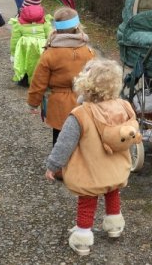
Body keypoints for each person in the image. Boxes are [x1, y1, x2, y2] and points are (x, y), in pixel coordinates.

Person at [44, 58, 139, 256]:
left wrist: (53, 165)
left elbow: (64, 143)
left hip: (90, 171)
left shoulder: (80, 114)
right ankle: (114, 226)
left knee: (87, 201)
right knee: (112, 193)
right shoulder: (123, 106)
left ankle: (82, 239)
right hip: (116, 170)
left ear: (85, 83)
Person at [27, 7, 95, 147]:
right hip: (84, 102)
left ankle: (58, 167)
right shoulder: (88, 51)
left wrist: (33, 103)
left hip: (59, 105)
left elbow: (39, 81)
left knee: (60, 139)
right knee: (82, 136)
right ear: (78, 26)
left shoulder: (50, 53)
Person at [9, 0, 53, 86]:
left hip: (25, 47)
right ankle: (42, 81)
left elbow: (15, 39)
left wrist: (13, 53)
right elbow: (50, 35)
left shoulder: (19, 21)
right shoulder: (44, 20)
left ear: (24, 5)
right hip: (41, 47)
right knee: (41, 64)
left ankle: (24, 80)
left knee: (24, 62)